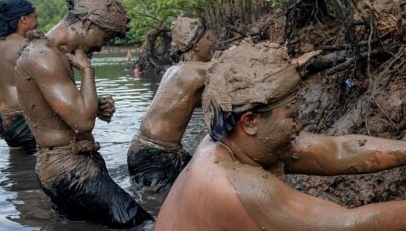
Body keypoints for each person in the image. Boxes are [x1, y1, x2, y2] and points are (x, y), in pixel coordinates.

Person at [155, 40, 406, 230]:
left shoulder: (229, 139)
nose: (298, 125)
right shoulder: (238, 187)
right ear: (251, 122)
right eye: (292, 116)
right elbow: (347, 224)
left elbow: (338, 150)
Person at [14, 0, 152, 229]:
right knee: (141, 224)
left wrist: (94, 105)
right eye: (105, 37)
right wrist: (88, 72)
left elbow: (59, 109)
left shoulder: (52, 52)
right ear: (88, 24)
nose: (100, 47)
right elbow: (82, 122)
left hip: (69, 167)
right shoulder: (44, 55)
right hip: (69, 171)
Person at [127, 16, 212, 192]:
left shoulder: (174, 70)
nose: (213, 44)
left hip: (141, 148)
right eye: (208, 39)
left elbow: (187, 104)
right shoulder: (195, 70)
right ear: (196, 45)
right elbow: (230, 66)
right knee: (166, 202)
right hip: (156, 155)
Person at [0, 0, 38, 154]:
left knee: (17, 161)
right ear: (23, 19)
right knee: (40, 162)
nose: (37, 22)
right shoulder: (27, 46)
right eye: (35, 17)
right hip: (22, 115)